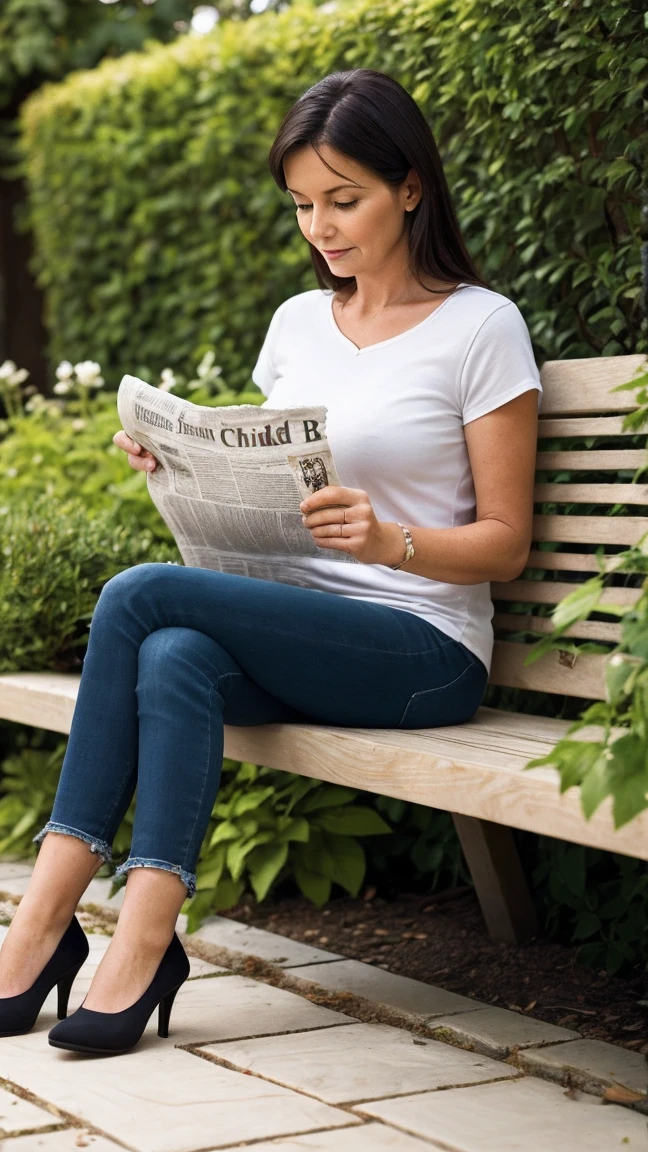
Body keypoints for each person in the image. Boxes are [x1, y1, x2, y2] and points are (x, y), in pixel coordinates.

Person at [0, 67, 542, 1056]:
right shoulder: (298, 324)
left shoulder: (481, 326)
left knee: (137, 596)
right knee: (171, 655)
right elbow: (273, 483)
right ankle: (149, 935)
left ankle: (38, 926)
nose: (321, 226)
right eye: (302, 204)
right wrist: (181, 465)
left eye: (345, 199)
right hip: (299, 622)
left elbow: (506, 543)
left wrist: (393, 542)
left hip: (422, 648)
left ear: (410, 187)